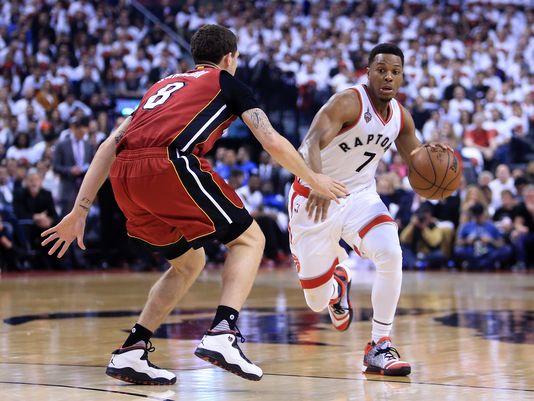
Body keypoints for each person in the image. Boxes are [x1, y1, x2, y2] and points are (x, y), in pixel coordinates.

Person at [41, 25, 347, 385]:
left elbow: (110, 144)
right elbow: (272, 141)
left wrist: (80, 210)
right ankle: (223, 332)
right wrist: (314, 178)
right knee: (250, 240)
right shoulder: (226, 81)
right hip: (169, 164)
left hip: (124, 176)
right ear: (230, 57)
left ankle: (132, 350)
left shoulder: (159, 88)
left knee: (190, 262)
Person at [288, 43, 451, 376]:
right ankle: (337, 287)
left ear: (402, 77)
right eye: (381, 70)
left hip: (360, 195)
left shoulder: (401, 118)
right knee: (316, 302)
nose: (388, 77)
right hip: (314, 199)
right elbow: (309, 143)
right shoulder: (348, 101)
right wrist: (318, 180)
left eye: (395, 72)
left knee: (391, 253)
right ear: (368, 72)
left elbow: (419, 163)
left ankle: (379, 344)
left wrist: (436, 161)